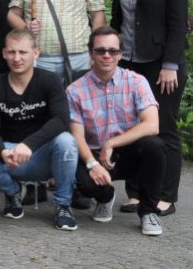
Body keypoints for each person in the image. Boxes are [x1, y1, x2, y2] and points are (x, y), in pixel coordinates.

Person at [112, 0, 188, 217]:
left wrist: (170, 64)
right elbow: (118, 19)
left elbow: (178, 23)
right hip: (128, 63)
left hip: (161, 65)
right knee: (133, 127)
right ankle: (136, 193)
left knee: (164, 129)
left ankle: (165, 197)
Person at [0, 29, 78, 230]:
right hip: (11, 154)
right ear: (4, 54)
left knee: (66, 141)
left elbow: (61, 120)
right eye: (11, 52)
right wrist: (2, 151)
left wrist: (29, 144)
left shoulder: (50, 80)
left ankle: (63, 205)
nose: (17, 58)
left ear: (35, 53)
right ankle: (13, 193)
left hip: (44, 152)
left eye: (23, 52)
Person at [68, 26, 166, 236]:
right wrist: (92, 163)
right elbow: (76, 135)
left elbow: (152, 125)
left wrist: (111, 143)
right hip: (96, 156)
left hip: (130, 153)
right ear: (91, 53)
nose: (107, 55)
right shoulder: (75, 90)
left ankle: (148, 211)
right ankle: (105, 197)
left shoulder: (137, 81)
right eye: (100, 50)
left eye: (113, 51)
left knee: (154, 146)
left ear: (120, 54)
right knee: (79, 175)